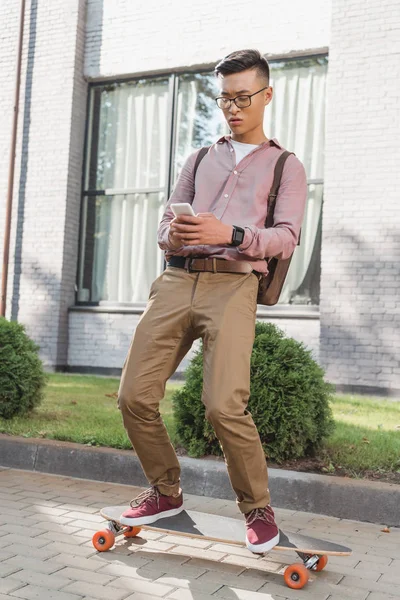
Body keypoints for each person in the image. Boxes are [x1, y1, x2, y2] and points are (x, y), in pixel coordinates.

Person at [117, 48, 307, 553]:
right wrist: (175, 235)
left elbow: (287, 237)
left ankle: (258, 508)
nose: (232, 107)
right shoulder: (198, 158)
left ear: (267, 95)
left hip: (234, 284)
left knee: (224, 404)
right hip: (177, 281)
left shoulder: (286, 165)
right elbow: (162, 227)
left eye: (243, 96)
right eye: (224, 97)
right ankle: (165, 491)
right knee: (133, 396)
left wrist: (233, 232)